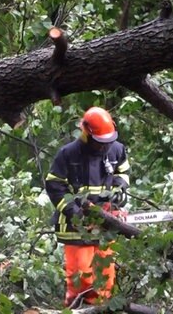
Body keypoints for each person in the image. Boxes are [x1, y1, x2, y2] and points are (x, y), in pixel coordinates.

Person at [45, 106, 130, 307]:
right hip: (76, 228)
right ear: (86, 133)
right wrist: (76, 213)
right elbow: (54, 185)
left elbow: (123, 173)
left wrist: (116, 198)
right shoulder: (68, 153)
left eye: (107, 141)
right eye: (101, 142)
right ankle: (78, 309)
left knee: (106, 279)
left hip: (105, 228)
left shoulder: (116, 149)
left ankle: (102, 309)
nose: (104, 146)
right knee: (81, 278)